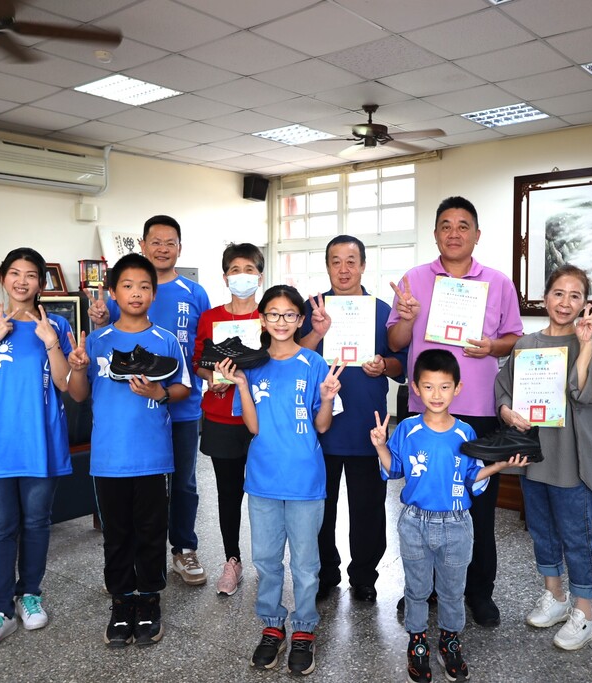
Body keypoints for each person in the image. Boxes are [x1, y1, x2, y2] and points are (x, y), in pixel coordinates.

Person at [387, 196, 524, 626]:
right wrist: (406, 317)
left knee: (477, 504)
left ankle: (479, 592)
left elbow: (513, 338)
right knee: (426, 501)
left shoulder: (498, 282)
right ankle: (423, 590)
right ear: (435, 234)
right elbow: (395, 342)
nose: (454, 233)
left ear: (477, 235)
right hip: (425, 412)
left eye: (463, 225)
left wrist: (491, 346)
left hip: (478, 411)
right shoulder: (413, 279)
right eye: (445, 225)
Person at [371, 349, 529, 683]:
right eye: (428, 386)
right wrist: (381, 446)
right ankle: (417, 641)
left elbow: (473, 478)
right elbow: (395, 469)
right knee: (416, 589)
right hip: (414, 522)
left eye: (444, 387)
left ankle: (449, 640)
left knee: (453, 590)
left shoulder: (465, 432)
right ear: (416, 388)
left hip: (457, 524)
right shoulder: (408, 429)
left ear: (458, 388)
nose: (436, 394)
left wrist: (500, 464)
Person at [217, 284, 344, 676]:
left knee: (305, 564)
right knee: (267, 560)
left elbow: (322, 426)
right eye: (273, 314)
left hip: (305, 480)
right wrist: (241, 385)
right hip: (263, 480)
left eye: (290, 314)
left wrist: (327, 398)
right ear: (262, 319)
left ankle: (304, 628)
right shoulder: (252, 366)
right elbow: (254, 427)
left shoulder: (313, 363)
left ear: (301, 319)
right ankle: (272, 625)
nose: (282, 321)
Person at [0, 247, 73, 655]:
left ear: (42, 283)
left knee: (37, 522)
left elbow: (65, 383)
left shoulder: (56, 325)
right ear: (3, 278)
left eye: (31, 274)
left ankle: (30, 594)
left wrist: (51, 342)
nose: (22, 281)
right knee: (0, 528)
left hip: (41, 441)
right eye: (15, 273)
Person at [68, 253, 190, 648]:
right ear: (113, 292)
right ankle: (122, 600)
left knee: (152, 531)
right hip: (108, 458)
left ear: (153, 294)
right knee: (117, 533)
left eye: (144, 286)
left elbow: (183, 388)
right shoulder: (97, 341)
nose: (136, 293)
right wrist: (76, 368)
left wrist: (159, 391)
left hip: (153, 457)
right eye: (127, 286)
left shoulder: (165, 340)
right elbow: (79, 394)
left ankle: (149, 598)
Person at [88, 215, 211, 586]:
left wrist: (215, 376)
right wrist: (97, 320)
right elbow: (108, 344)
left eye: (170, 242)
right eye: (155, 241)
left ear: (179, 248)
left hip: (182, 404)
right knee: (140, 488)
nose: (162, 248)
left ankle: (183, 549)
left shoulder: (195, 293)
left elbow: (204, 346)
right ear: (142, 245)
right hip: (134, 412)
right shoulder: (124, 293)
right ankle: (129, 564)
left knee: (183, 483)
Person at [495, 264, 592, 651]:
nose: (565, 302)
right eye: (559, 293)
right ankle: (555, 596)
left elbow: (584, 393)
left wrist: (586, 345)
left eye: (575, 296)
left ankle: (585, 613)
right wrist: (507, 412)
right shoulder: (525, 344)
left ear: (585, 303)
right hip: (533, 457)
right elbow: (504, 390)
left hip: (571, 459)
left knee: (577, 536)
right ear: (545, 298)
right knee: (541, 531)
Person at [298, 234, 406, 603]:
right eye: (336, 261)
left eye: (351, 261)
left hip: (367, 426)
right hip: (321, 426)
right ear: (327, 266)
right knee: (319, 507)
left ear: (362, 266)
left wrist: (383, 365)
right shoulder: (312, 309)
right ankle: (324, 572)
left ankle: (364, 575)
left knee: (368, 507)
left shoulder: (381, 311)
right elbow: (294, 356)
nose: (343, 269)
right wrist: (316, 331)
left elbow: (401, 363)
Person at [192, 242, 265, 596]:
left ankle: (268, 561)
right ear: (225, 277)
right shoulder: (210, 318)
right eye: (235, 270)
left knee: (267, 494)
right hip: (222, 416)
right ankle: (232, 560)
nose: (242, 276)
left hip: (264, 418)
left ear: (260, 277)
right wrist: (212, 378)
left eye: (249, 270)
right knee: (228, 492)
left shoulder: (270, 316)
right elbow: (198, 361)